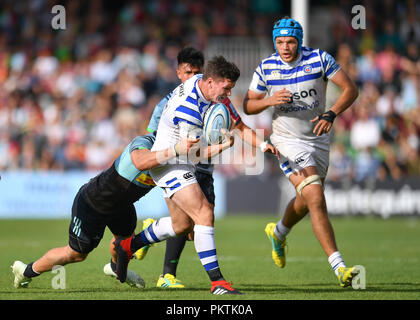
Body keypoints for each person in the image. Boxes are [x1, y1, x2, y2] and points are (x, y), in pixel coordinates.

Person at [114, 55, 277, 295]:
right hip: (170, 162)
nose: (229, 94)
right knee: (204, 212)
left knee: (182, 225)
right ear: (211, 82)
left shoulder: (204, 84)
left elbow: (237, 125)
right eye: (227, 88)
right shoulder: (190, 109)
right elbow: (195, 155)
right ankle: (217, 282)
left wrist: (262, 145)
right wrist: (222, 146)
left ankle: (129, 245)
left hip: (178, 159)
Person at [243, 17, 360, 287]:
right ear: (275, 42)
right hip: (286, 141)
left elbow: (351, 90)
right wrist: (270, 99)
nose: (285, 47)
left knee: (307, 200)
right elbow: (248, 105)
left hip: (318, 139)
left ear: (300, 41)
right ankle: (340, 267)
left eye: (290, 41)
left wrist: (331, 114)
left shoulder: (319, 59)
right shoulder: (266, 67)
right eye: (280, 42)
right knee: (316, 197)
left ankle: (279, 232)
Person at [11, 132, 200, 289]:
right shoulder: (145, 142)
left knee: (124, 242)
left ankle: (114, 267)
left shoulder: (174, 161)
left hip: (122, 206)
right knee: (76, 254)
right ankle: (25, 271)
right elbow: (140, 160)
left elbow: (177, 190)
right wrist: (175, 150)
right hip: (93, 202)